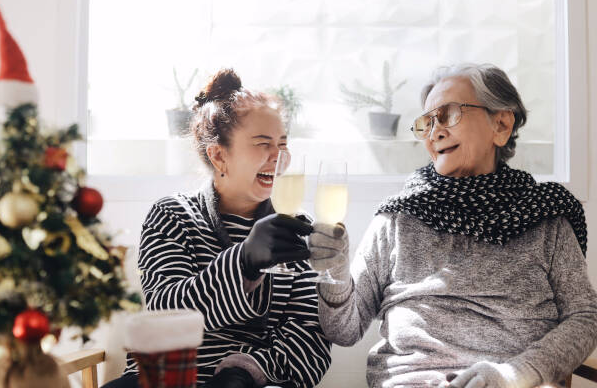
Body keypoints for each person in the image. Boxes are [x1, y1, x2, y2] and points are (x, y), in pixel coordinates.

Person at [310, 63, 597, 387]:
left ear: (501, 124)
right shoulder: (397, 217)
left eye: (447, 115)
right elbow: (344, 330)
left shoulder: (546, 218)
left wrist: (513, 375)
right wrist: (333, 269)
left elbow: (585, 318)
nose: (435, 132)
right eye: (427, 122)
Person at [103, 69, 331, 388]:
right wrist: (244, 263)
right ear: (219, 155)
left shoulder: (296, 227)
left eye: (283, 143)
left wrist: (243, 373)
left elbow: (311, 335)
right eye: (263, 144)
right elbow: (164, 313)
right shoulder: (172, 215)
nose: (279, 158)